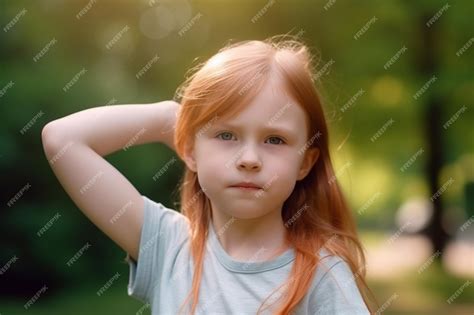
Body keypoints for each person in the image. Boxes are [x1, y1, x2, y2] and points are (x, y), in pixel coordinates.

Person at [42, 36, 376, 314]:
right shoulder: (167, 247)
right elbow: (62, 139)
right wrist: (169, 119)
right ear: (188, 149)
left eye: (275, 139)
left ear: (305, 162)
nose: (249, 159)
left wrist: (205, 138)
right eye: (226, 135)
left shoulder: (322, 275)